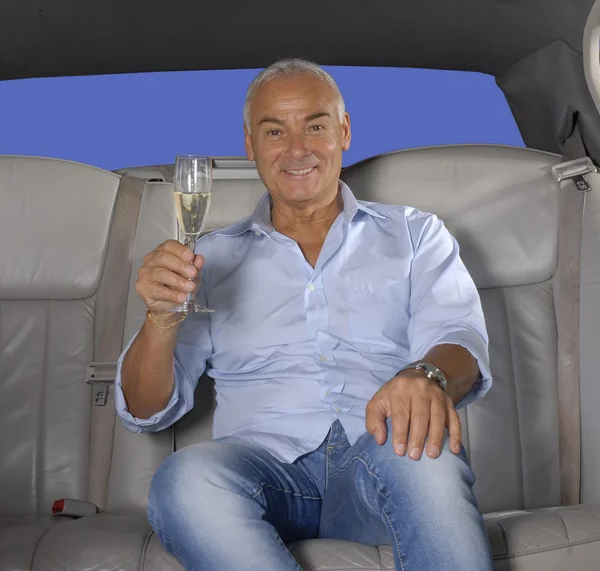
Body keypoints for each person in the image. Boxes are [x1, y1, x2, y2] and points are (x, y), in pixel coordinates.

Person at [115, 58, 495, 571]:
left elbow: (459, 337)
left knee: (425, 449)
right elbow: (145, 409)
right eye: (275, 131)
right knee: (184, 478)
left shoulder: (415, 234)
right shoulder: (207, 258)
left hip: (381, 457)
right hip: (263, 474)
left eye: (315, 125)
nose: (297, 149)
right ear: (251, 146)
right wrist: (160, 319)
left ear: (344, 131)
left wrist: (425, 376)